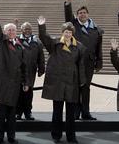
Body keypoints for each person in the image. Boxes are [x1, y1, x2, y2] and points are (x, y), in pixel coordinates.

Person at [0, 0, 29, 144]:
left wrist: (26, 82)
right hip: (3, 84)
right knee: (1, 113)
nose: (11, 32)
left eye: (13, 30)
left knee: (12, 114)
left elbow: (24, 67)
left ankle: (11, 136)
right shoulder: (1, 42)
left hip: (15, 85)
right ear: (5, 32)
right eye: (9, 30)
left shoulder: (21, 47)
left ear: (17, 32)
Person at [38, 16, 85, 144]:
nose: (68, 33)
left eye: (70, 32)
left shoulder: (79, 47)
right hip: (58, 82)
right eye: (66, 31)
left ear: (72, 33)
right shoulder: (55, 43)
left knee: (71, 113)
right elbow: (44, 38)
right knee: (57, 111)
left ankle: (71, 137)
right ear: (62, 32)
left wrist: (82, 80)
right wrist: (42, 26)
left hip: (71, 82)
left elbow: (81, 64)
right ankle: (56, 135)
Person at [64, 0, 103, 120]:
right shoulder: (73, 25)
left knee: (86, 88)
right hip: (75, 62)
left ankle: (85, 112)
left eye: (84, 12)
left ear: (88, 14)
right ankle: (75, 113)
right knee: (75, 88)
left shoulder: (96, 29)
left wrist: (99, 62)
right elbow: (68, 17)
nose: (82, 14)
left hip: (89, 63)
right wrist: (68, 1)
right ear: (77, 15)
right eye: (80, 13)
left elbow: (99, 47)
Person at [16, 21, 45, 121]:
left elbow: (41, 56)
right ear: (21, 30)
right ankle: (18, 112)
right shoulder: (17, 40)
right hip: (19, 71)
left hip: (31, 70)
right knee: (19, 92)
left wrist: (41, 69)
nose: (27, 30)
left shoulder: (37, 41)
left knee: (29, 92)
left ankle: (28, 112)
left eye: (29, 29)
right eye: (25, 29)